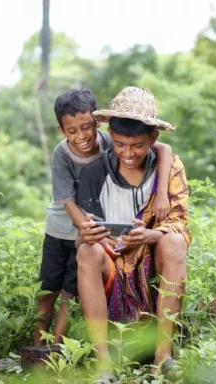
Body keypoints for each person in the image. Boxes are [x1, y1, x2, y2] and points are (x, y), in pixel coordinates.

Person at [33, 88, 175, 347]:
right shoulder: (62, 154)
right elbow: (68, 202)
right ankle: (36, 347)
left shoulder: (115, 143)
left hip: (93, 230)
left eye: (86, 127)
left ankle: (55, 347)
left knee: (70, 292)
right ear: (61, 131)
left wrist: (163, 192)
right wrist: (89, 228)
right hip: (62, 230)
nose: (81, 136)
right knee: (47, 291)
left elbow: (164, 149)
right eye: (71, 131)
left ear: (98, 124)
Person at [75, 86, 192, 384]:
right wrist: (89, 236)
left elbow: (180, 224)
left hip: (152, 265)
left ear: (153, 139)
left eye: (137, 146)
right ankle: (103, 366)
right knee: (86, 253)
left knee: (175, 242)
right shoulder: (95, 172)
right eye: (119, 144)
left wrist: (150, 235)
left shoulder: (170, 168)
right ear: (110, 137)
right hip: (113, 264)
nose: (127, 153)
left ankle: (162, 357)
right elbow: (84, 235)